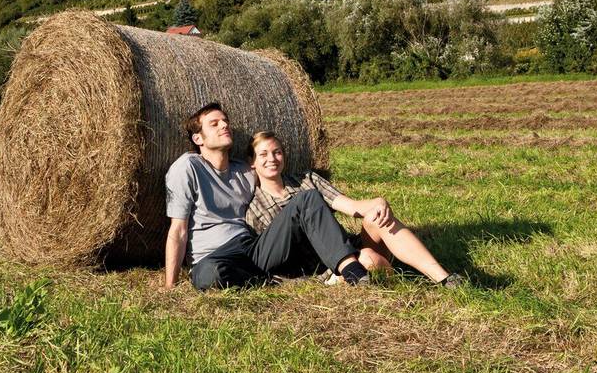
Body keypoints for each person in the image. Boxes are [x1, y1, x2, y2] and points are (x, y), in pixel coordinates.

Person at [163, 102, 372, 290]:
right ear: (197, 138)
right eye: (214, 124)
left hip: (253, 247)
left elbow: (272, 169)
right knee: (211, 275)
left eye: (225, 121)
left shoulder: (245, 171)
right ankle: (272, 280)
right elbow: (178, 230)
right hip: (213, 257)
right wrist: (170, 286)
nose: (224, 125)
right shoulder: (188, 167)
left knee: (307, 198)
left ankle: (352, 270)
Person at [245, 130, 462, 287]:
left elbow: (348, 205)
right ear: (252, 162)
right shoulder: (255, 207)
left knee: (377, 218)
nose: (272, 159)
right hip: (322, 266)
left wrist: (377, 203)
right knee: (369, 259)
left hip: (346, 245)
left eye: (277, 152)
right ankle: (394, 276)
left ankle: (443, 278)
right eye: (263, 154)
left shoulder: (306, 179)